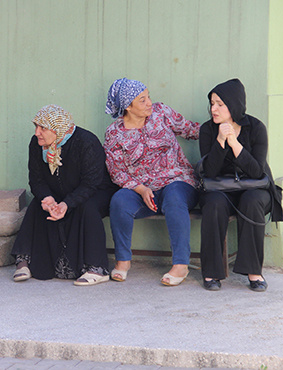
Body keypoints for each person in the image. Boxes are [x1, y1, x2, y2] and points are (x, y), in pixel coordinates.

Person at [104, 78, 200, 286]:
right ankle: (123, 261)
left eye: (148, 97)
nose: (149, 103)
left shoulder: (161, 113)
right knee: (119, 201)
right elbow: (117, 171)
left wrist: (229, 130)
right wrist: (141, 189)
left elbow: (191, 130)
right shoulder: (114, 133)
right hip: (141, 190)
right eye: (142, 100)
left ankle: (180, 265)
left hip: (177, 181)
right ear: (127, 107)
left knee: (174, 198)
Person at [11, 104, 117, 285]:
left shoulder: (86, 142)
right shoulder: (37, 145)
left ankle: (96, 268)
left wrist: (67, 203)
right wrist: (47, 197)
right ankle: (24, 261)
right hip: (60, 192)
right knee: (37, 205)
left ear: (58, 129)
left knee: (86, 207)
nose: (37, 133)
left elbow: (91, 183)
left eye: (43, 128)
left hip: (95, 192)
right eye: (36, 127)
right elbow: (36, 179)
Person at [198, 78, 283, 292]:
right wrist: (220, 141)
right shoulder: (208, 130)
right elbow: (210, 172)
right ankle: (212, 273)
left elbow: (256, 171)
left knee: (252, 201)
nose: (213, 109)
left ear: (233, 104)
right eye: (212, 103)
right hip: (220, 188)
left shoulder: (255, 128)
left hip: (254, 187)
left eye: (219, 104)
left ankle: (254, 271)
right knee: (214, 205)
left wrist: (234, 143)